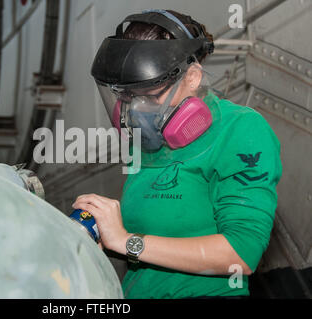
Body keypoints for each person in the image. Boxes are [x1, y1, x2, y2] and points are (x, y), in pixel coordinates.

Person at [72, 9, 282, 299]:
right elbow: (154, 240)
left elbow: (241, 254)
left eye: (148, 94)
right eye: (126, 96)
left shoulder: (240, 129)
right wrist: (106, 236)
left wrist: (126, 241)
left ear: (193, 77)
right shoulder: (147, 143)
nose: (136, 109)